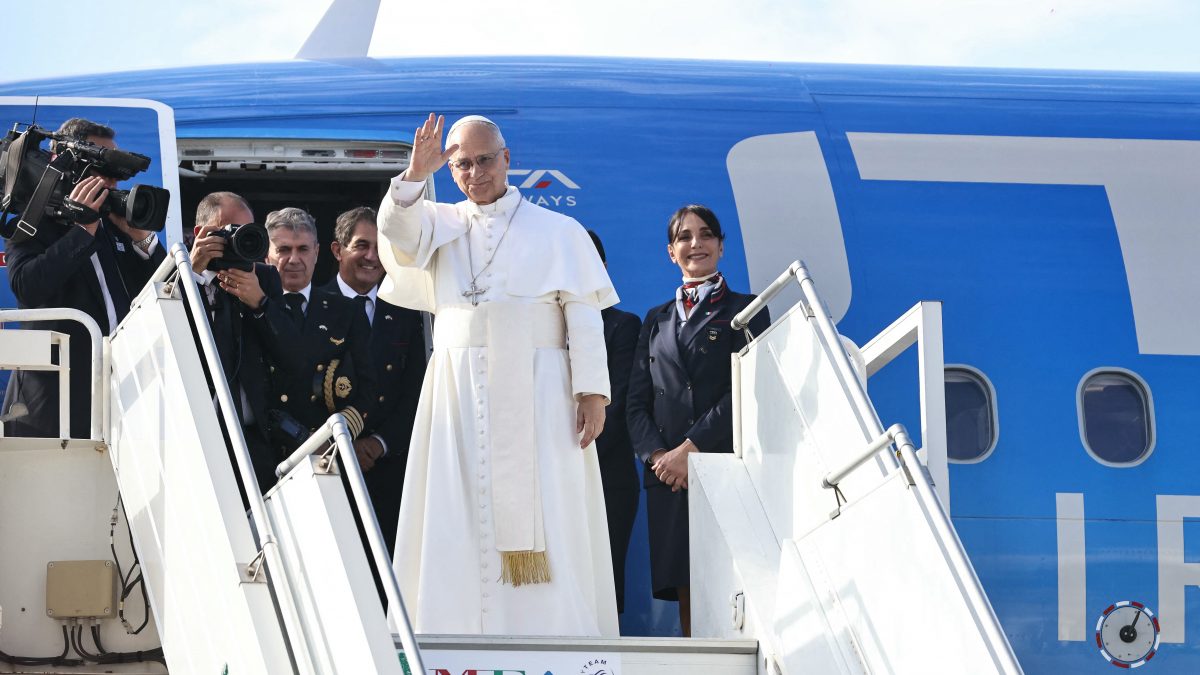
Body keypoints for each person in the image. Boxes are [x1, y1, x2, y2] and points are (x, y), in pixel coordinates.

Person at [376, 113, 618, 636]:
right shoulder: (438, 220)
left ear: (507, 159)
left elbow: (582, 312)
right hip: (457, 389)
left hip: (540, 387)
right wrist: (417, 173)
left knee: (549, 504)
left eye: (484, 160)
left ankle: (552, 635)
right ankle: (451, 636)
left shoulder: (560, 230)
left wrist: (591, 392)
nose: (473, 172)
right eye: (460, 163)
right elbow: (397, 231)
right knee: (454, 507)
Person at [626, 204, 770, 637]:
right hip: (670, 477)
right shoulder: (655, 319)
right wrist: (659, 458)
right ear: (672, 251)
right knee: (685, 581)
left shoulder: (748, 311)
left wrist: (692, 450)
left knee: (732, 579)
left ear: (721, 246)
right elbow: (636, 402)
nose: (696, 244)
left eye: (706, 235)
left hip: (722, 464)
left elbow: (748, 389)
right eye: (685, 237)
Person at [2, 118, 166, 438]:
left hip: (124, 398)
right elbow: (27, 287)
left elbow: (156, 291)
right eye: (104, 169)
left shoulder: (114, 224)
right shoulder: (35, 220)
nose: (112, 181)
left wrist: (143, 241)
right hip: (53, 408)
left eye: (117, 172)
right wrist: (82, 230)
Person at [321, 205, 426, 554]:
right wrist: (345, 445)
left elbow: (417, 391)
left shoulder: (406, 311)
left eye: (380, 249)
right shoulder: (315, 305)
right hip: (329, 465)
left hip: (389, 467)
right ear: (338, 250)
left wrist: (379, 443)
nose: (371, 257)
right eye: (361, 246)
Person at [189, 191, 297, 492]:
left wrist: (260, 303)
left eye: (246, 231)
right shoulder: (176, 276)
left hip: (253, 442)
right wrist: (193, 272)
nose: (237, 240)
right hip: (193, 439)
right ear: (201, 234)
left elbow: (292, 356)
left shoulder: (264, 278)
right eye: (228, 232)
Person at [264, 207, 374, 463]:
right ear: (267, 256)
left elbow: (368, 389)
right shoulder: (253, 308)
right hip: (265, 454)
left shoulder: (346, 312)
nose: (293, 259)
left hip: (326, 454)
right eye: (283, 250)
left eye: (302, 249)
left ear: (316, 253)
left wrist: (331, 438)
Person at [587, 229, 641, 614]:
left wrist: (573, 452)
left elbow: (618, 403)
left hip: (607, 477)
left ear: (602, 268)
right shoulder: (544, 327)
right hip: (554, 480)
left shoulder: (623, 325)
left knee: (604, 584)